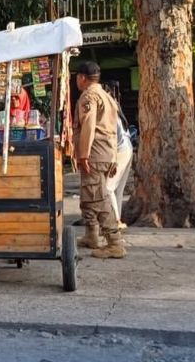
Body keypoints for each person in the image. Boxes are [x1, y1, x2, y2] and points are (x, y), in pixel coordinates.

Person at [73, 62, 125, 259]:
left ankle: (114, 242)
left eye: (77, 76)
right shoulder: (107, 96)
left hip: (94, 154)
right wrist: (112, 158)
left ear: (82, 77)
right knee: (88, 195)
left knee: (97, 198)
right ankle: (92, 235)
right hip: (106, 153)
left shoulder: (89, 96)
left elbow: (88, 124)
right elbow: (112, 129)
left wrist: (83, 154)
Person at [104, 85, 133, 229]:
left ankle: (116, 221)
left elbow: (112, 137)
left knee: (108, 188)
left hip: (121, 151)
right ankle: (117, 219)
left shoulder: (109, 110)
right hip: (127, 149)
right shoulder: (116, 108)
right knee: (117, 190)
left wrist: (113, 160)